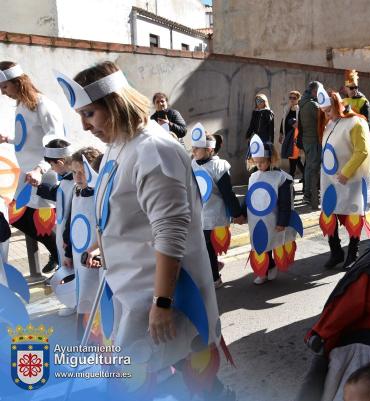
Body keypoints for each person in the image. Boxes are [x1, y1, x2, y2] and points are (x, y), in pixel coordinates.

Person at [55, 61, 228, 398]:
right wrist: (99, 248)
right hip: (130, 289)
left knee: (177, 378)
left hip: (157, 297)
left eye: (89, 114)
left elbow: (170, 232)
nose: (85, 126)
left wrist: (162, 303)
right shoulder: (118, 146)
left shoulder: (153, 149)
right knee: (156, 378)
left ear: (115, 104)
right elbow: (118, 214)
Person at [0, 61, 63, 274]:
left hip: (43, 176)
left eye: (4, 87)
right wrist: (8, 139)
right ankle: (59, 254)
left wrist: (41, 169)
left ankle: (62, 258)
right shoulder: (21, 105)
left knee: (41, 222)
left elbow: (57, 141)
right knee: (17, 216)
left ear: (18, 82)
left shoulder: (42, 104)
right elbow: (27, 138)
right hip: (27, 175)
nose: (3, 92)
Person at [317, 84, 370, 269]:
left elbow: (362, 151)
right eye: (324, 112)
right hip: (331, 180)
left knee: (352, 215)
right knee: (330, 213)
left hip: (351, 180)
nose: (328, 115)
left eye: (329, 110)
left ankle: (353, 252)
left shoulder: (356, 122)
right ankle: (336, 252)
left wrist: (346, 172)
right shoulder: (330, 124)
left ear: (337, 105)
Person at [191, 122, 244, 289]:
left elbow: (228, 193)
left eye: (197, 148)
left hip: (214, 215)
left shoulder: (219, 166)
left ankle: (215, 278)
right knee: (205, 247)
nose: (193, 151)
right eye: (192, 148)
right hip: (200, 214)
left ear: (209, 150)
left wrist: (237, 214)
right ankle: (214, 266)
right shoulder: (193, 163)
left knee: (208, 247)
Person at [243, 135, 301, 285]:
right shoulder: (253, 177)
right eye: (256, 162)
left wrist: (282, 221)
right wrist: (242, 214)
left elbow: (284, 202)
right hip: (256, 220)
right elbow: (248, 198)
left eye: (262, 162)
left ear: (270, 159)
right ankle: (264, 270)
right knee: (260, 243)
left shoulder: (280, 178)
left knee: (272, 241)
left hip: (274, 218)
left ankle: (271, 266)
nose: (259, 165)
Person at [34, 139, 76, 315]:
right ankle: (75, 302)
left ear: (60, 162)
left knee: (75, 270)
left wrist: (67, 246)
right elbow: (60, 195)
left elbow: (71, 211)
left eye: (52, 165)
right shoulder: (68, 180)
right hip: (67, 236)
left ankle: (76, 303)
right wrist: (41, 188)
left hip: (71, 237)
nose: (52, 169)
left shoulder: (74, 181)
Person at [69, 147, 102, 336]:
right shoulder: (75, 191)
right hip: (78, 253)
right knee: (83, 294)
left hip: (94, 254)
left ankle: (95, 337)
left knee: (95, 296)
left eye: (82, 172)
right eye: (74, 172)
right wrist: (67, 251)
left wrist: (95, 249)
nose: (78, 176)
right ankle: (86, 335)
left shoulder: (99, 194)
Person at [298, 81, 325, 209]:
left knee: (309, 168)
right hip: (313, 140)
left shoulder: (303, 104)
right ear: (314, 91)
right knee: (314, 169)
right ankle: (313, 199)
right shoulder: (312, 105)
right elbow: (324, 118)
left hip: (307, 140)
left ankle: (307, 195)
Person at [279, 90, 305, 180]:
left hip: (296, 136)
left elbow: (303, 122)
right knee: (294, 157)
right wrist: (281, 134)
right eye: (290, 98)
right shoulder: (287, 108)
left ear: (298, 99)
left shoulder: (300, 109)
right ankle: (305, 175)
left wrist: (298, 125)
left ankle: (291, 177)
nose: (292, 100)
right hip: (288, 136)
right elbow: (283, 121)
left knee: (294, 157)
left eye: (294, 98)